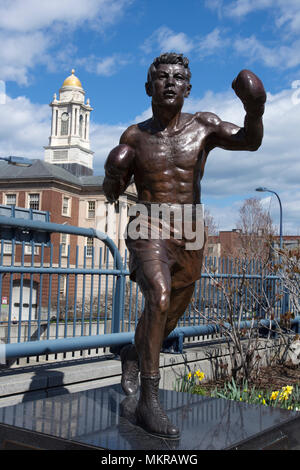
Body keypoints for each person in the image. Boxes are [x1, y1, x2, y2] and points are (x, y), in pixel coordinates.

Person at [103, 52, 266, 439]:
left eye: (178, 77)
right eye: (162, 77)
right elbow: (111, 193)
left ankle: (132, 353)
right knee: (158, 296)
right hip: (148, 223)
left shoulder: (203, 127)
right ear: (149, 87)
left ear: (189, 88)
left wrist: (255, 109)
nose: (170, 83)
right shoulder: (134, 137)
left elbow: (249, 142)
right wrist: (113, 170)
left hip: (190, 229)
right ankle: (148, 401)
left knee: (171, 314)